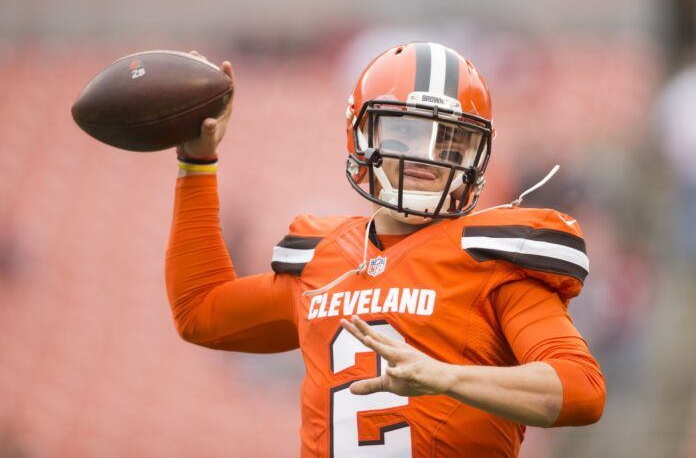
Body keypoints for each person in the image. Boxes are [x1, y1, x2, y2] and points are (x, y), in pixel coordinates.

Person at [166, 43, 605, 457]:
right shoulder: (326, 258)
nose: (428, 158)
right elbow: (201, 313)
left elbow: (582, 389)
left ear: (477, 156)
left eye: (450, 142)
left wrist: (446, 377)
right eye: (405, 134)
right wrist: (197, 162)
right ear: (362, 133)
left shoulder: (489, 261)